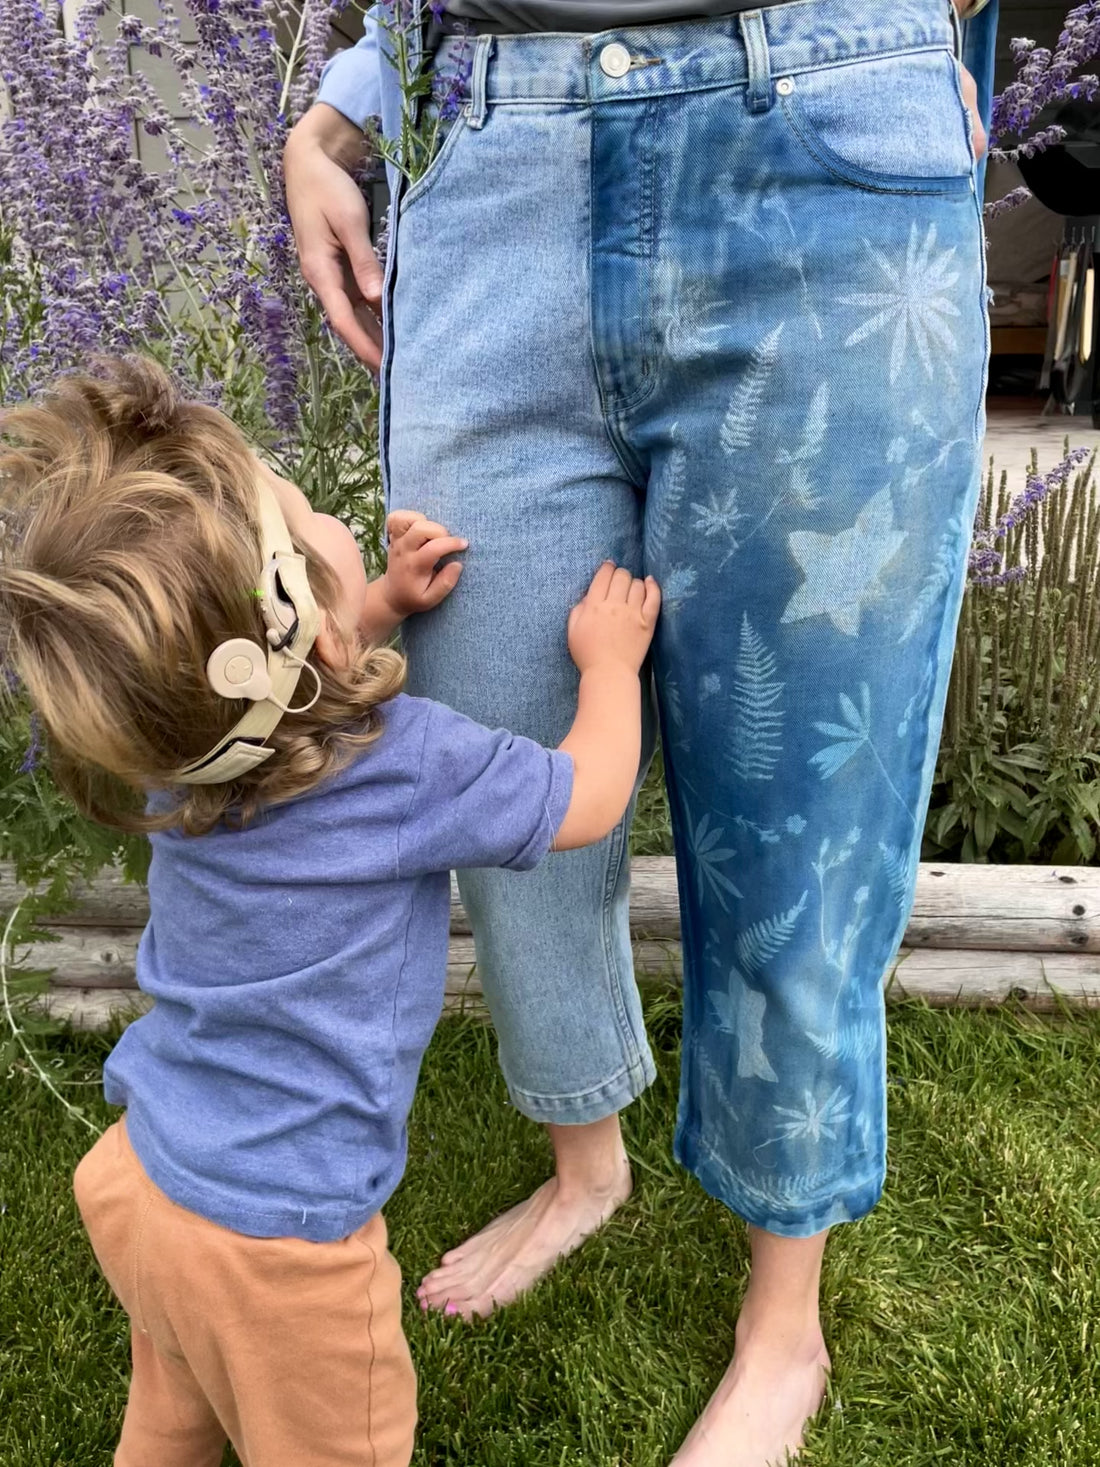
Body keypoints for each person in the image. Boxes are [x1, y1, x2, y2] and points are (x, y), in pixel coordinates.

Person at [285, 1, 993, 1461]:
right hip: (490, 160)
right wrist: (351, 97)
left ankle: (781, 1312)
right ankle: (581, 1158)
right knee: (496, 748)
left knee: (806, 800)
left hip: (824, 143)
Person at [0, 356, 659, 1467]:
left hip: (141, 1176)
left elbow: (253, 682)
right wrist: (610, 668)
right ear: (294, 613)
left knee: (170, 1415)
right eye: (304, 514)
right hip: (281, 1249)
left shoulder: (183, 751)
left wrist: (380, 606)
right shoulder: (402, 767)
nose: (320, 511)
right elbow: (587, 798)